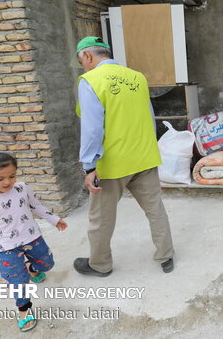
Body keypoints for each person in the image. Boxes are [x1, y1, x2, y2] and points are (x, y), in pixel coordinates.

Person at [73, 36, 174, 277]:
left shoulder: (90, 80)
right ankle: (166, 255)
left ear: (87, 56)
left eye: (81, 61)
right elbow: (150, 119)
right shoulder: (137, 77)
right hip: (145, 158)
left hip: (113, 164)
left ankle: (100, 264)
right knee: (155, 210)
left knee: (101, 219)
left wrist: (89, 166)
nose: (83, 66)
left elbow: (92, 128)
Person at [0, 153, 67, 332]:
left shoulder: (22, 188)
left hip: (33, 237)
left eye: (12, 176)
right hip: (7, 247)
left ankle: (32, 268)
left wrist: (54, 219)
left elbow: (36, 205)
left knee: (47, 264)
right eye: (0, 178)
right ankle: (24, 310)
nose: (8, 182)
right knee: (18, 282)